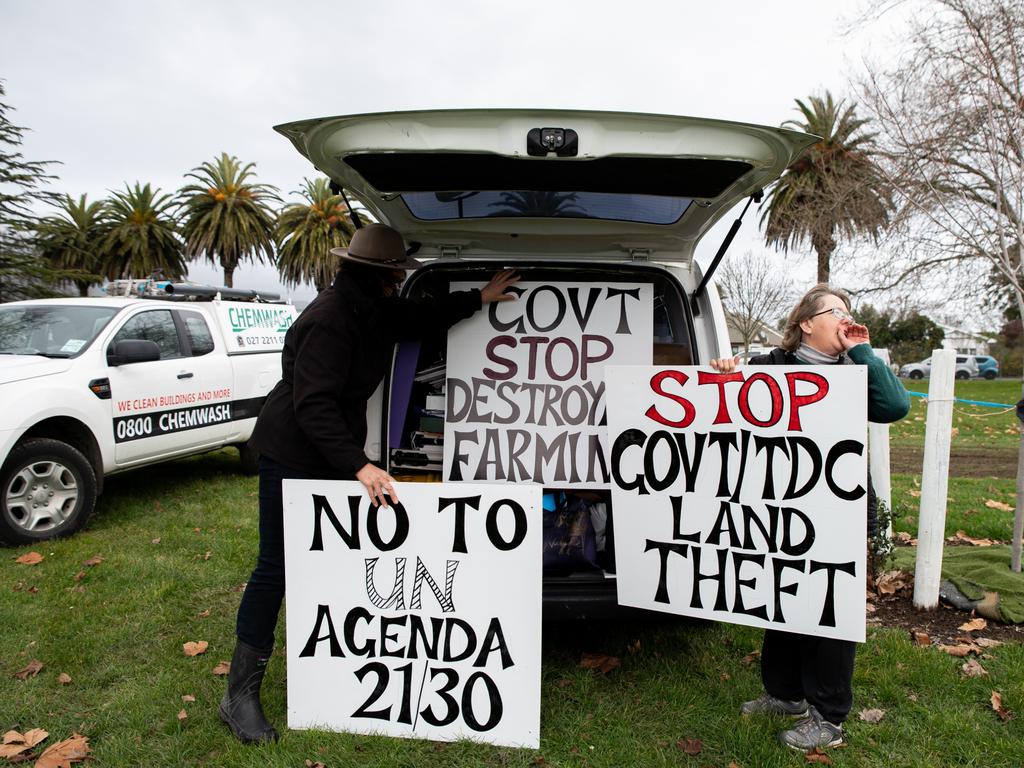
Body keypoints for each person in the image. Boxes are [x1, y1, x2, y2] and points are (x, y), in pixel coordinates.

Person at [219, 223, 519, 744]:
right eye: (397, 271)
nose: (400, 278)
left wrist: (480, 297)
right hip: (292, 452)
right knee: (276, 566)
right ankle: (238, 695)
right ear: (382, 275)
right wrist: (360, 465)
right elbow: (312, 403)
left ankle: (339, 666)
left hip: (330, 453)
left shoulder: (369, 306)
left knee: (333, 558)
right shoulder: (330, 319)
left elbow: (418, 317)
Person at [710, 283, 909, 751]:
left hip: (836, 506)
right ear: (806, 323)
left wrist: (862, 350)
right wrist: (723, 376)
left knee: (829, 605)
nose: (845, 317)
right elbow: (728, 413)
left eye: (849, 311)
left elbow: (895, 406)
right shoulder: (771, 368)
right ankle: (785, 694)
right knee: (781, 595)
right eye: (835, 311)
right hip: (780, 502)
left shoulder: (856, 370)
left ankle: (829, 714)